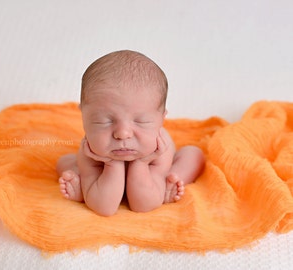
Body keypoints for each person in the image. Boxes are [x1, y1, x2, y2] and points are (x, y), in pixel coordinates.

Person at [57, 50, 205, 216]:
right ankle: (85, 184)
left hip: (152, 176)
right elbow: (104, 208)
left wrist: (142, 162)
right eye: (104, 121)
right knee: (64, 162)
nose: (123, 134)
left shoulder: (159, 149)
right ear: (83, 117)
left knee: (193, 155)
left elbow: (142, 205)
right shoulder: (91, 152)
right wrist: (111, 164)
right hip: (101, 174)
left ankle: (168, 184)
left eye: (141, 122)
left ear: (161, 119)